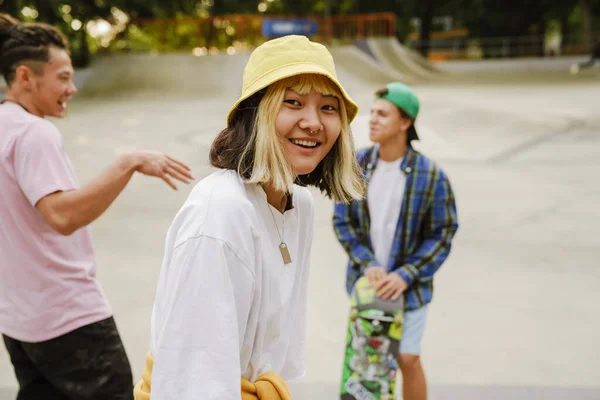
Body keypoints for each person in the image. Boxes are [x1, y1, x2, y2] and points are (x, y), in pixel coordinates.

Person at [133, 35, 365, 400]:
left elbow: (277, 356)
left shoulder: (298, 205)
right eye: (293, 102)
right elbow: (194, 378)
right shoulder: (220, 212)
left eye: (328, 108)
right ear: (256, 113)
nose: (313, 122)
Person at [0, 13, 193, 400]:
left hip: (19, 321)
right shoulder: (34, 133)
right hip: (67, 316)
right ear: (25, 77)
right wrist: (129, 162)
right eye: (62, 77)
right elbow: (63, 215)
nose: (71, 89)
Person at [333, 82, 458, 400]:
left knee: (407, 357)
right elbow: (342, 221)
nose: (372, 119)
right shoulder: (355, 165)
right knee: (368, 364)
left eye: (383, 114)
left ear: (405, 123)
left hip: (410, 288)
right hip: (368, 286)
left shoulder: (430, 175)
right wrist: (368, 263)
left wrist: (406, 275)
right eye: (372, 112)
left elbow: (442, 233)